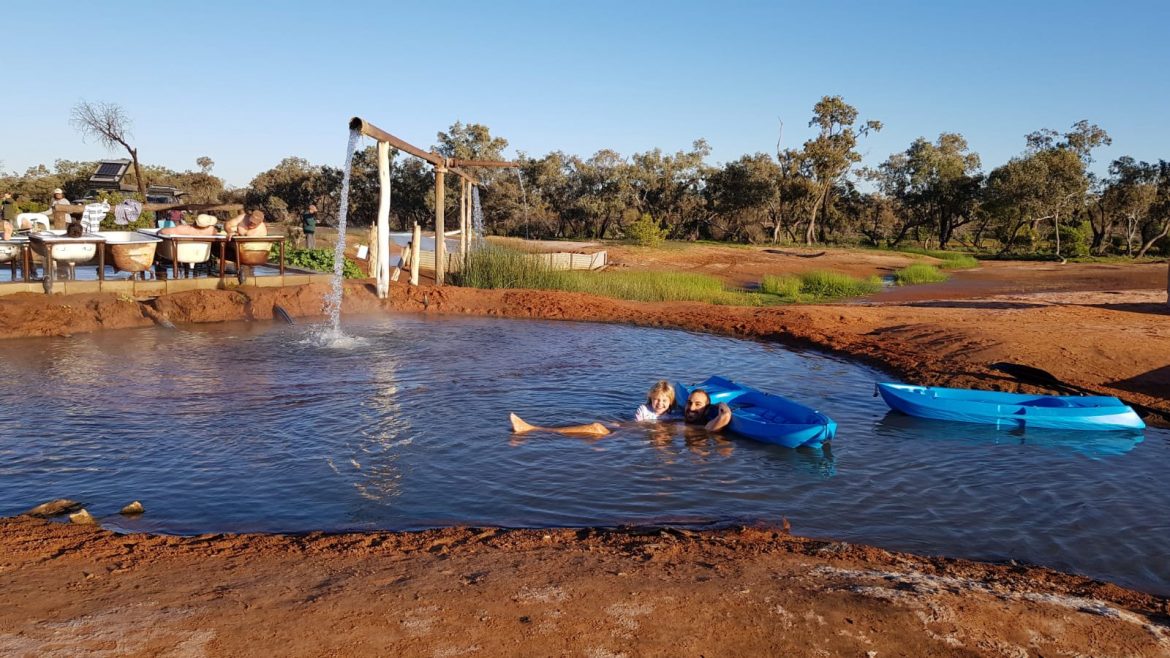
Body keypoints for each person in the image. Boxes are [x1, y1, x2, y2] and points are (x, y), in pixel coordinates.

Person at [510, 380, 687, 436]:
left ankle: (533, 429)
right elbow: (637, 427)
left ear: (670, 402)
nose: (660, 404)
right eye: (657, 400)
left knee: (597, 428)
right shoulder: (643, 409)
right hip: (628, 431)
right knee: (598, 427)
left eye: (664, 401)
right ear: (650, 398)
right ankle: (535, 429)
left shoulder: (675, 414)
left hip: (627, 431)